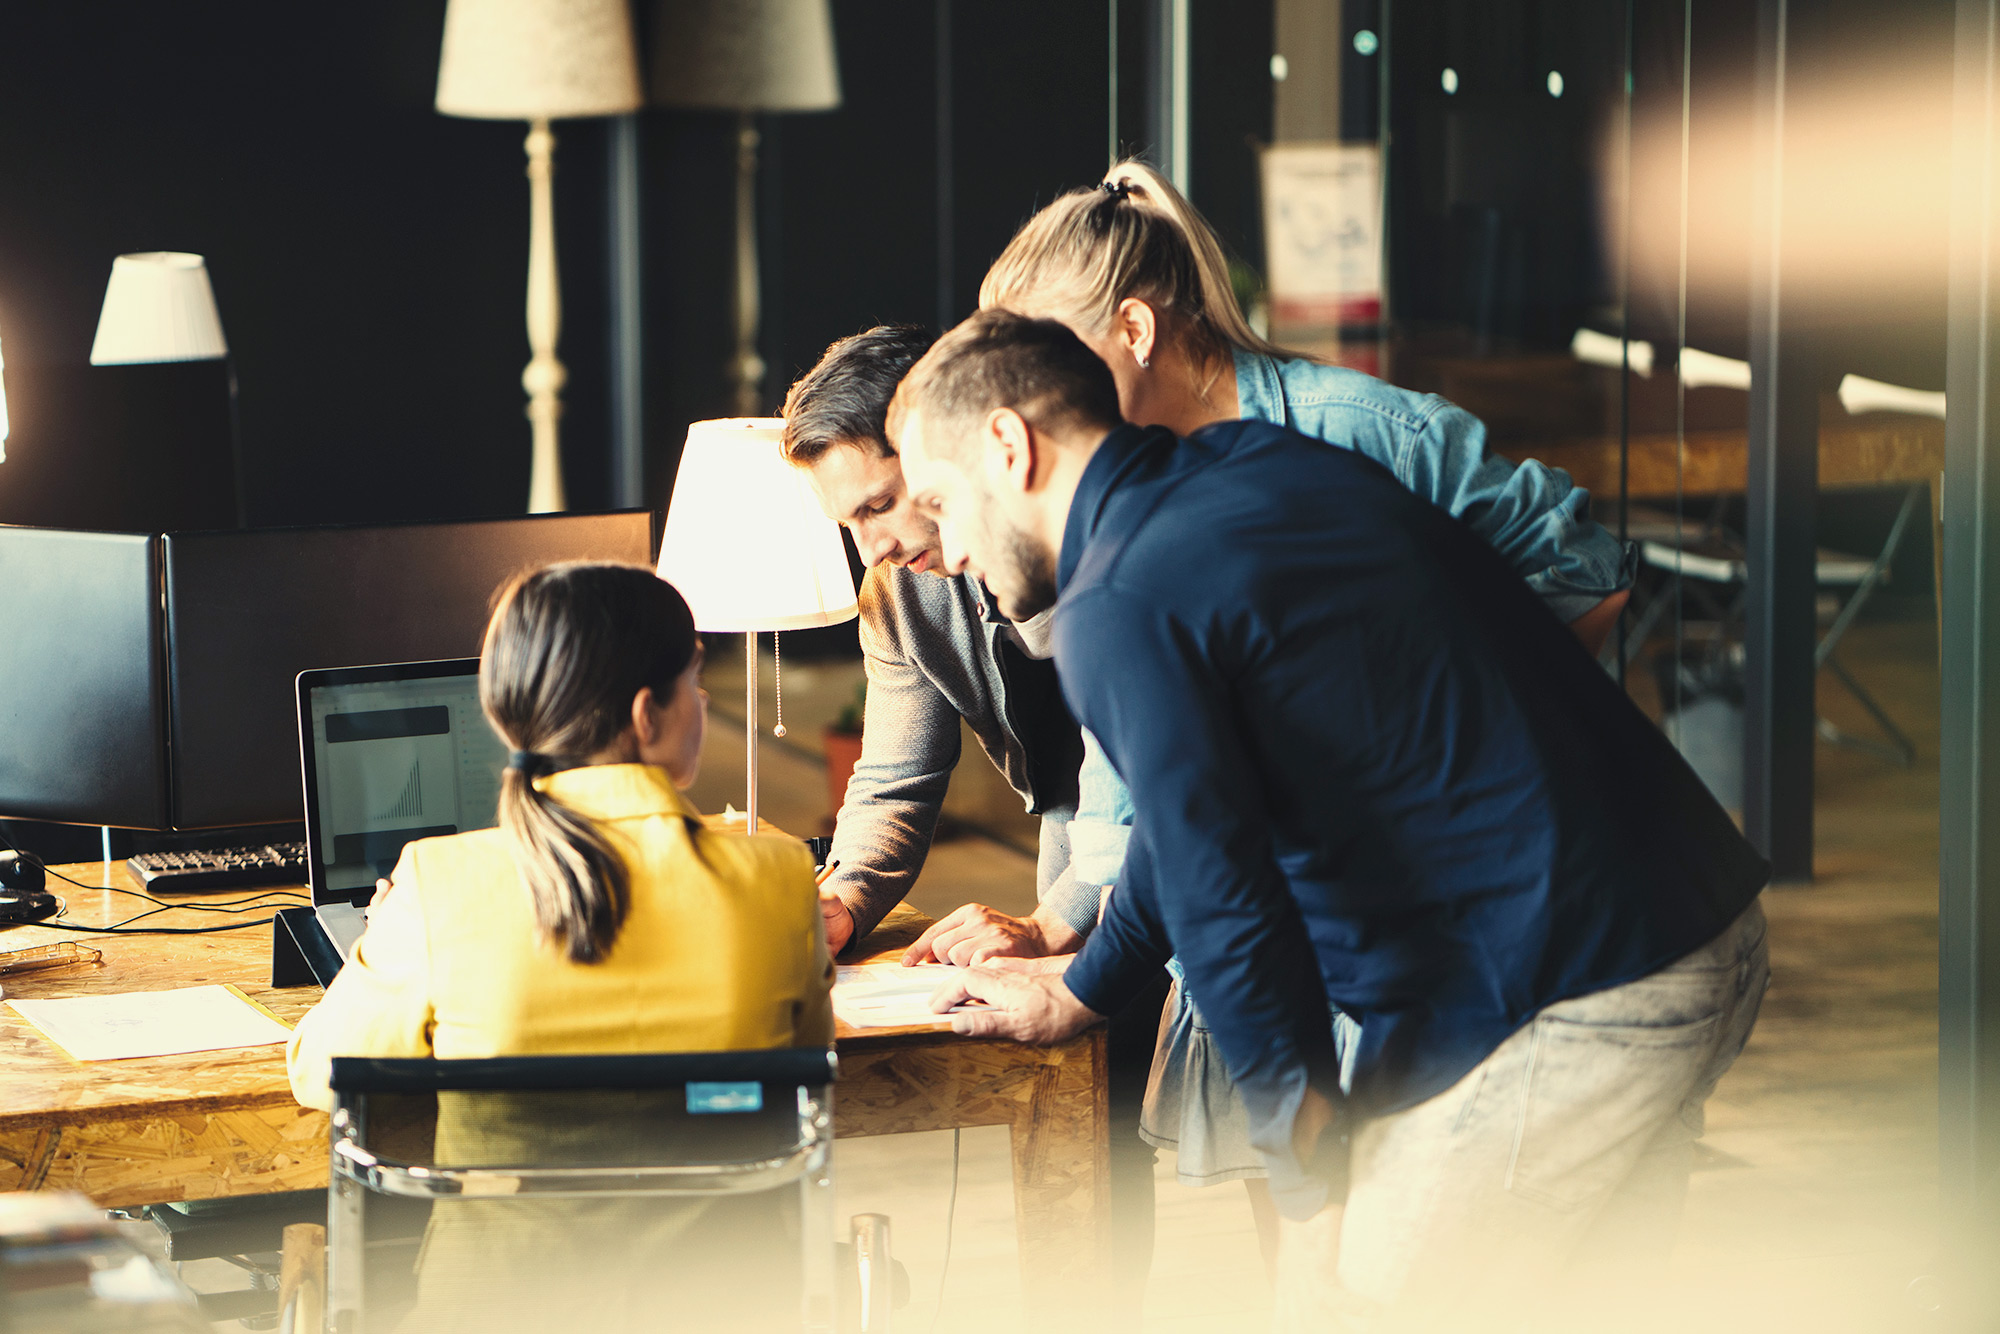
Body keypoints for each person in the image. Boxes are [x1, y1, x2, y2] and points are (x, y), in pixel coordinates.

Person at [895, 310, 1769, 1329]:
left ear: (1009, 445)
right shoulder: (1254, 464)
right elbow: (1190, 826)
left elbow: (1227, 906)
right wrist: (1088, 987)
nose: (947, 547)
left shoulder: (1118, 600)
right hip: (1697, 923)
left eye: (938, 502)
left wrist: (1309, 1200)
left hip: (1569, 991)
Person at [913, 159, 1638, 1260]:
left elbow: (1584, 571)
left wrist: (1415, 761)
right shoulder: (1116, 510)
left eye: (1041, 352)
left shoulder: (1351, 433)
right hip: (1267, 946)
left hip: (1432, 938)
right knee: (1312, 1261)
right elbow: (1164, 781)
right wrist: (1066, 926)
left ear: (1132, 331)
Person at [288, 561, 832, 1334]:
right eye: (694, 682)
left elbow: (319, 1073)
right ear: (646, 715)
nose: (704, 703)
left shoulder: (439, 884)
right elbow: (803, 1071)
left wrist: (390, 939)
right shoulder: (779, 879)